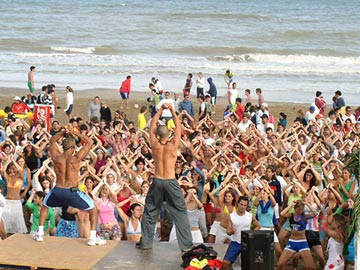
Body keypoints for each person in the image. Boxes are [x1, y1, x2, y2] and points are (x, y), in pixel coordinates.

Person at [34, 128, 106, 246]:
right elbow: (89, 142)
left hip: (57, 190)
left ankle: (40, 233)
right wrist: (75, 132)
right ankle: (93, 238)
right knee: (93, 210)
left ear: (63, 146)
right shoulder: (76, 158)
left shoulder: (56, 158)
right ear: (72, 148)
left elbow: (52, 140)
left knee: (45, 205)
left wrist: (62, 132)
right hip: (71, 192)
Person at [136, 103, 193, 251]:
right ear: (168, 134)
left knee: (150, 212)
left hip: (157, 180)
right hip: (170, 180)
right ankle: (186, 246)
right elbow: (179, 128)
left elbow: (152, 124)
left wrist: (160, 110)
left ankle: (146, 243)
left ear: (157, 134)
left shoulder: (154, 144)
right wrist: (173, 112)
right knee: (180, 212)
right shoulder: (173, 144)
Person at [221, 196, 260, 270]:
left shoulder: (250, 216)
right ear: (237, 204)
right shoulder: (232, 216)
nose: (243, 207)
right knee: (225, 263)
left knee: (249, 264)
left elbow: (258, 226)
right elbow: (228, 231)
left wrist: (251, 234)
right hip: (235, 242)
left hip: (247, 243)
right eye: (241, 204)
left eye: (245, 205)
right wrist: (231, 231)